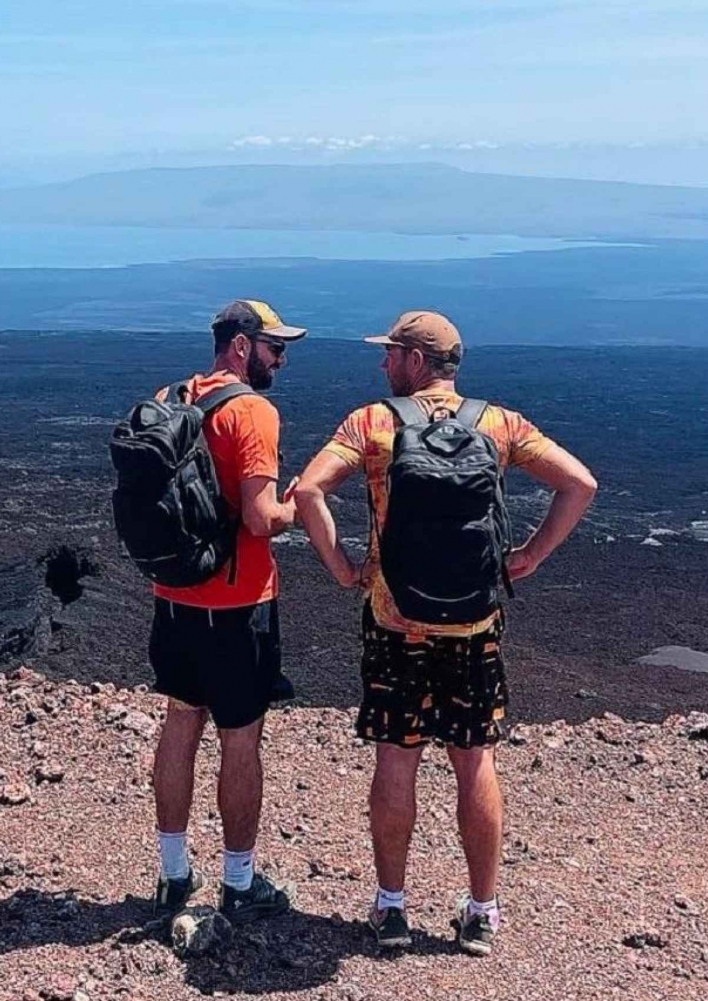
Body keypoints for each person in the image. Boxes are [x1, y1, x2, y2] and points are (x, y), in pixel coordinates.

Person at [291, 310, 597, 954]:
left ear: (414, 360)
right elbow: (580, 483)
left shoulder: (370, 423)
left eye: (391, 354)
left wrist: (345, 567)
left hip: (394, 618)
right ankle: (481, 912)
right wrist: (531, 556)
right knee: (474, 759)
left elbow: (312, 489)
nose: (382, 365)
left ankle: (393, 908)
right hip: (474, 622)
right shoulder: (500, 423)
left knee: (397, 759)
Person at [147, 299, 306, 924]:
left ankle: (172, 874)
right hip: (239, 607)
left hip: (174, 600)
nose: (281, 359)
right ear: (241, 347)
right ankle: (238, 882)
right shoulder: (252, 411)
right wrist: (297, 506)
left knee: (180, 725)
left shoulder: (171, 395)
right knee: (241, 739)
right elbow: (263, 519)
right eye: (275, 347)